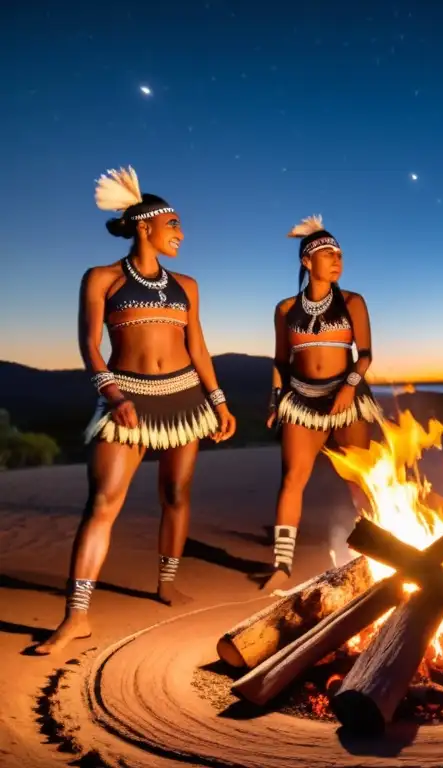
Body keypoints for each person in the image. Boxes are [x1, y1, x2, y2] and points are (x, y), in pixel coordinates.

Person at [34, 167, 237, 655]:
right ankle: (76, 615)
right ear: (146, 225)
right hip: (126, 395)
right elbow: (89, 345)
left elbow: (199, 347)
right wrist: (113, 395)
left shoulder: (187, 284)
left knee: (176, 492)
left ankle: (166, 583)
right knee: (103, 502)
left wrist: (219, 400)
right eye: (175, 226)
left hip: (186, 395)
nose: (182, 235)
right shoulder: (101, 278)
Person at [261, 215, 383, 591]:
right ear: (306, 261)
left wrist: (348, 388)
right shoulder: (285, 310)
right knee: (293, 479)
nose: (336, 260)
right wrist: (275, 401)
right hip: (301, 400)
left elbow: (364, 355)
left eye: (340, 255)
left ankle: (377, 556)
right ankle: (281, 566)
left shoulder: (352, 302)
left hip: (346, 399)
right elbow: (281, 362)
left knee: (357, 480)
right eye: (328, 253)